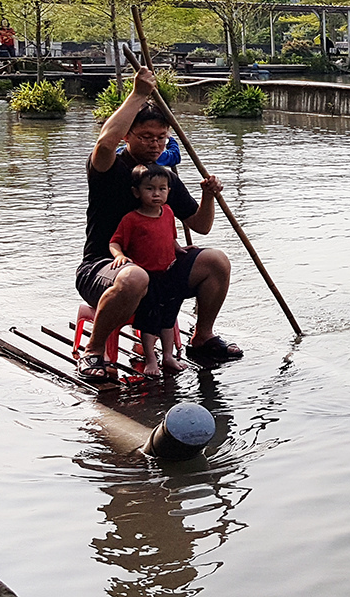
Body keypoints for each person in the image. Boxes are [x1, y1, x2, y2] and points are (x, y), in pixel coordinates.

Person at [75, 66, 240, 381]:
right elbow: (105, 142)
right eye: (146, 137)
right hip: (104, 268)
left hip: (161, 271)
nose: (154, 144)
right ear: (129, 136)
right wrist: (138, 94)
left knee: (216, 261)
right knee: (134, 278)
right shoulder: (109, 167)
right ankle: (93, 351)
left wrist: (209, 196)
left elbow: (201, 225)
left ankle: (202, 337)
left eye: (161, 138)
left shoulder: (163, 179)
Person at [108, 164, 188, 376]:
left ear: (169, 191)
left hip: (168, 273)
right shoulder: (132, 219)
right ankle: (151, 358)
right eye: (150, 189)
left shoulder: (168, 212)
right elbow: (114, 243)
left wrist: (179, 249)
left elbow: (169, 238)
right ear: (136, 192)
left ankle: (169, 356)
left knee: (169, 317)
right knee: (150, 319)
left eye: (162, 189)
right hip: (147, 277)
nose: (156, 194)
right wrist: (120, 256)